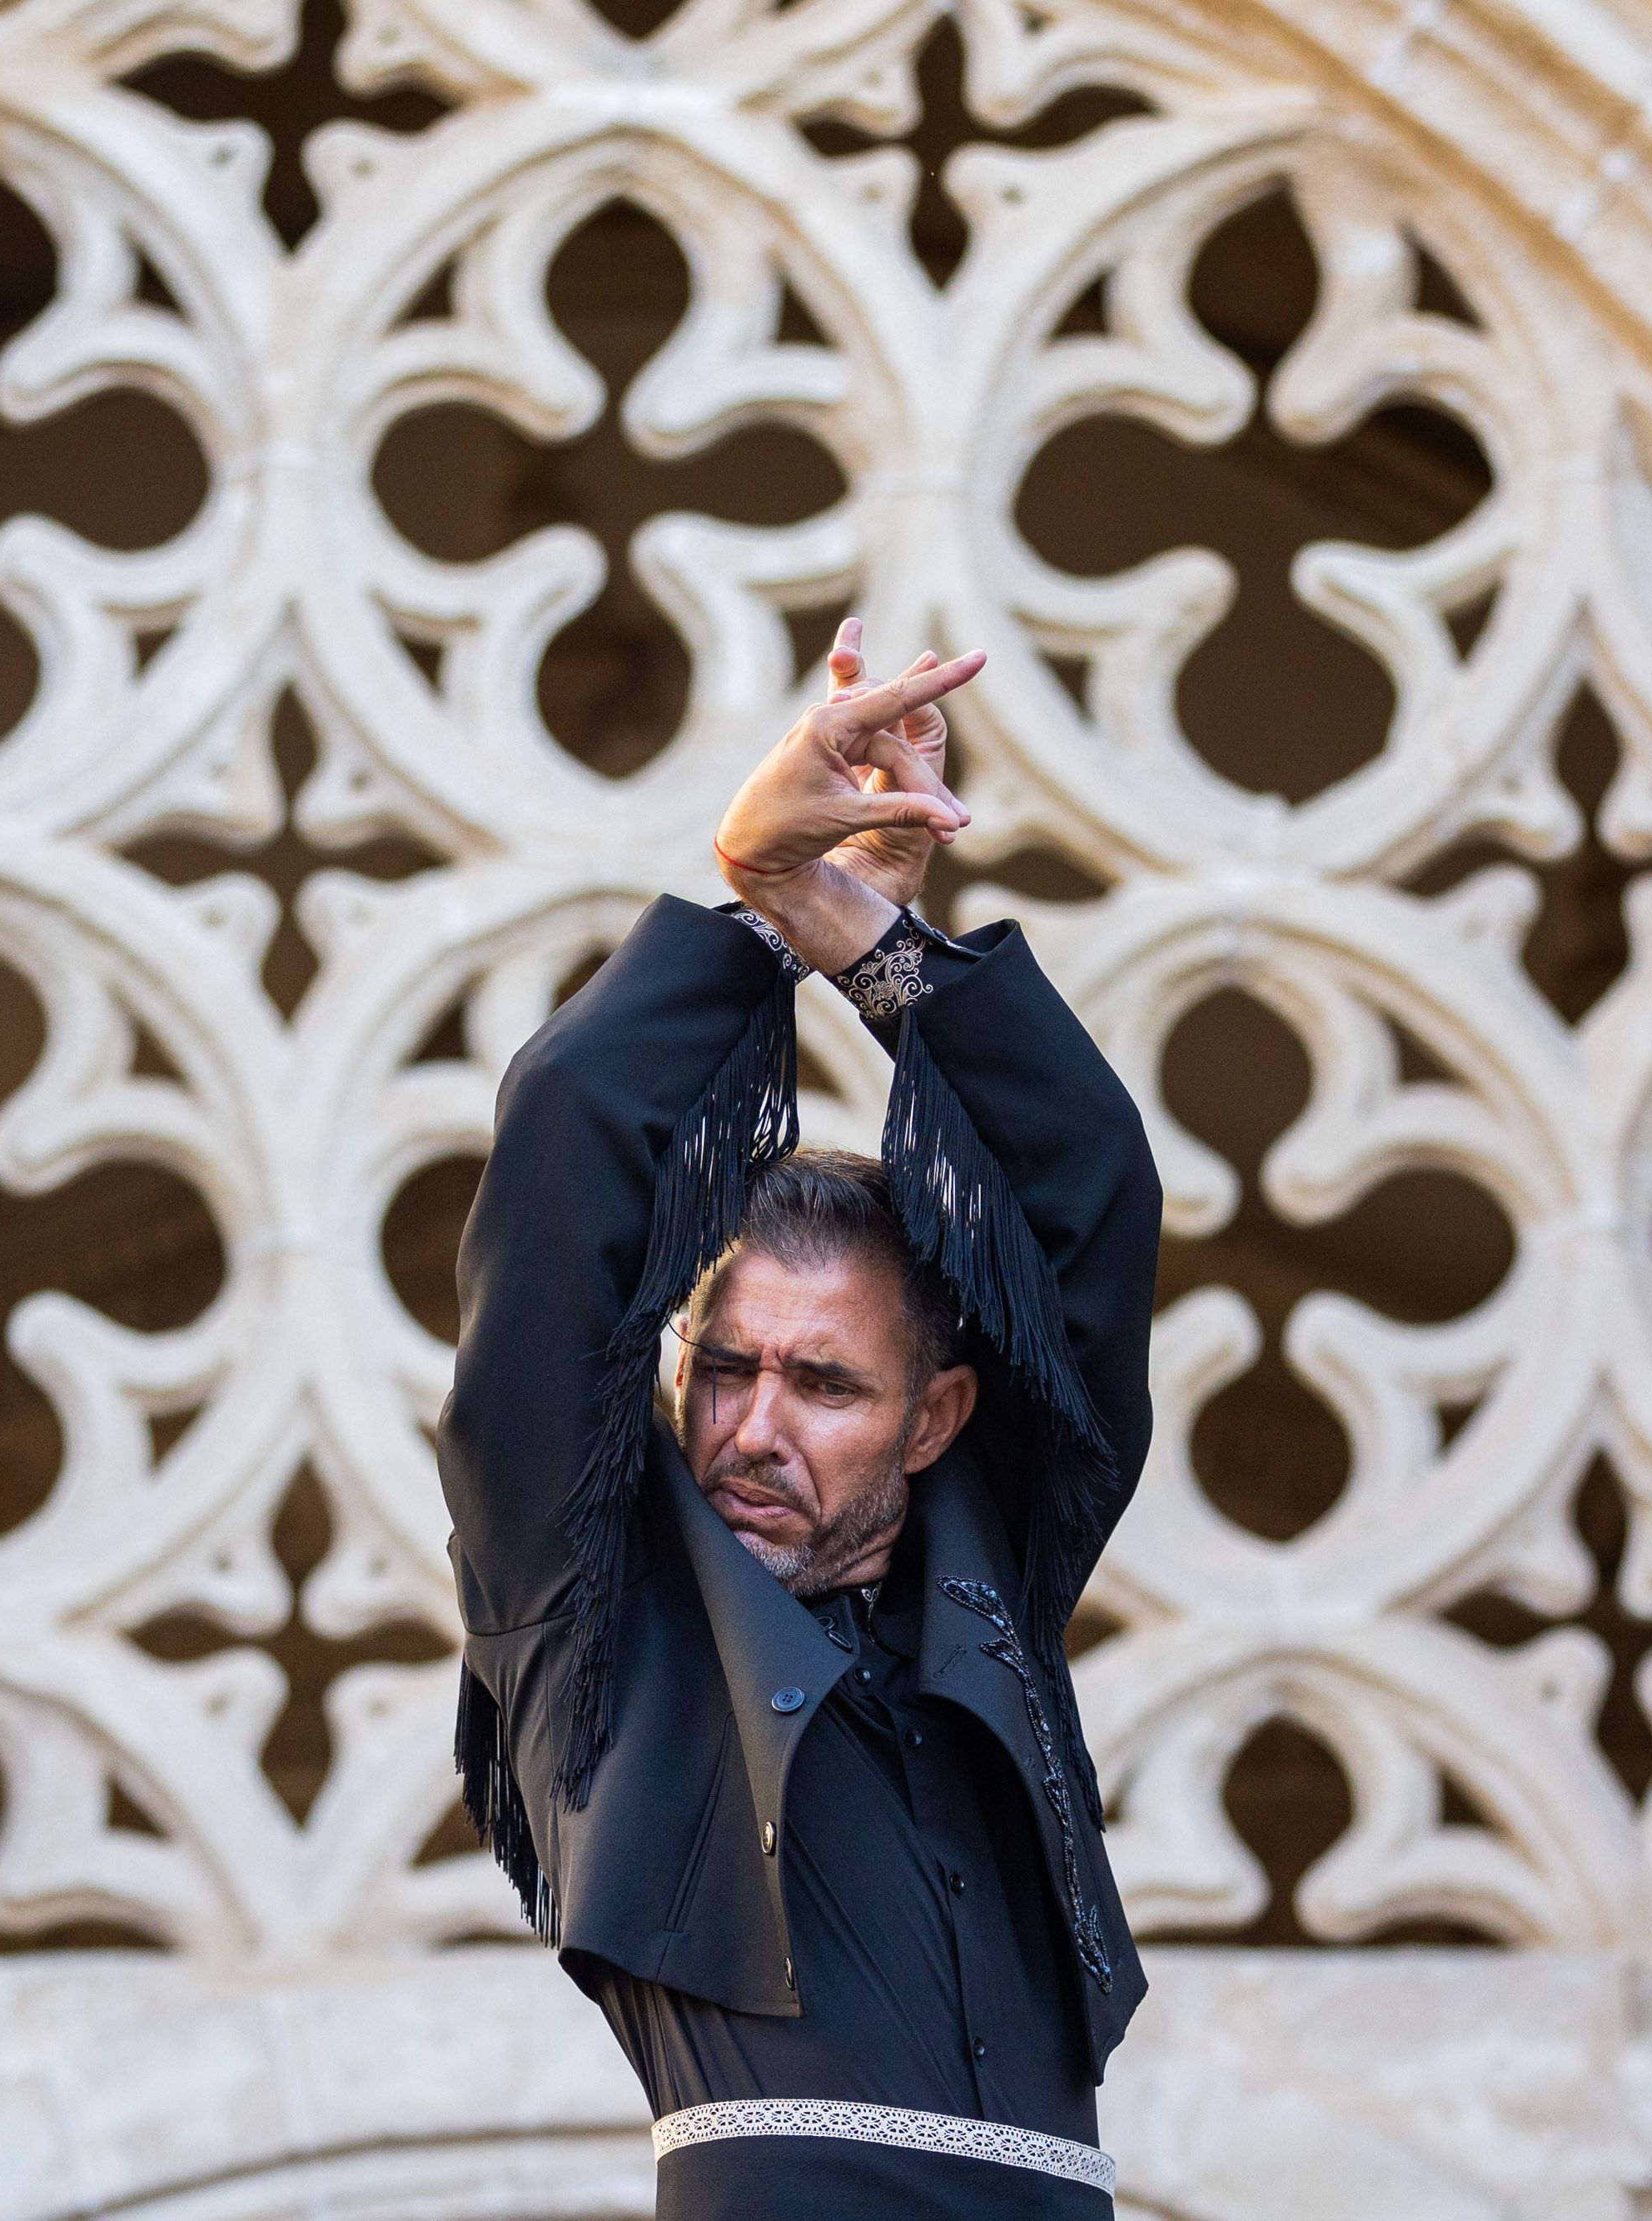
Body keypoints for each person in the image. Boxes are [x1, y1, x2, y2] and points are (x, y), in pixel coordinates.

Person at [440, 622, 1167, 2218]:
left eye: (826, 1383)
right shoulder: (596, 1626)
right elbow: (566, 1150)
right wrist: (761, 912)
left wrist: (873, 944)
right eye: (725, 1365)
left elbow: (1093, 1202)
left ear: (936, 1419)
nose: (753, 1425)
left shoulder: (995, 1593)